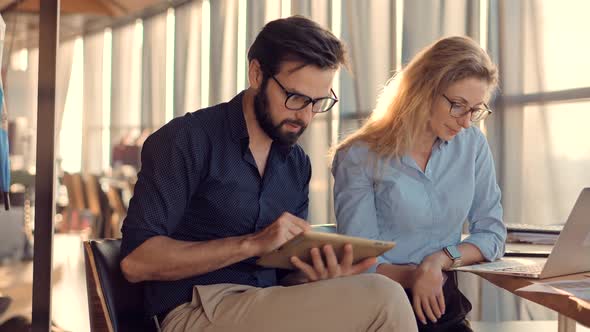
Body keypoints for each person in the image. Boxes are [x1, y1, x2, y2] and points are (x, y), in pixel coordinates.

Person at [120, 16, 417, 332]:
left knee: (369, 297)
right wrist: (251, 244)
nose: (304, 115)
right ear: (257, 74)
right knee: (385, 298)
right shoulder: (187, 139)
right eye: (296, 97)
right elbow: (136, 262)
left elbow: (283, 278)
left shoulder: (296, 164)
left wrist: (315, 275)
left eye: (319, 103)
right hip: (195, 310)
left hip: (267, 303)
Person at [332, 36, 507, 332]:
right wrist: (413, 276)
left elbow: (492, 233)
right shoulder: (358, 156)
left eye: (475, 110)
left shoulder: (472, 145)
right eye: (457, 106)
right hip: (379, 308)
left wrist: (439, 260)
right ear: (423, 91)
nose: (466, 122)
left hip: (443, 303)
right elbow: (359, 260)